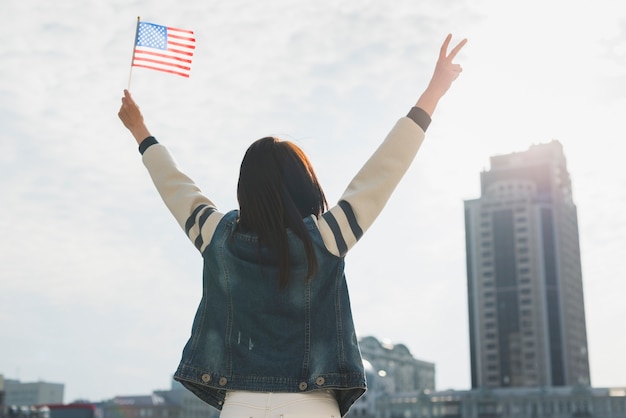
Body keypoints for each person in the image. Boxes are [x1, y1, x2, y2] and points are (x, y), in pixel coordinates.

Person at [118, 33, 466, 418]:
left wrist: (139, 130)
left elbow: (175, 185)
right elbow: (383, 170)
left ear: (244, 189)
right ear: (306, 184)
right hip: (311, 406)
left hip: (240, 405)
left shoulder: (216, 236)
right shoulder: (330, 237)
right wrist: (433, 92)